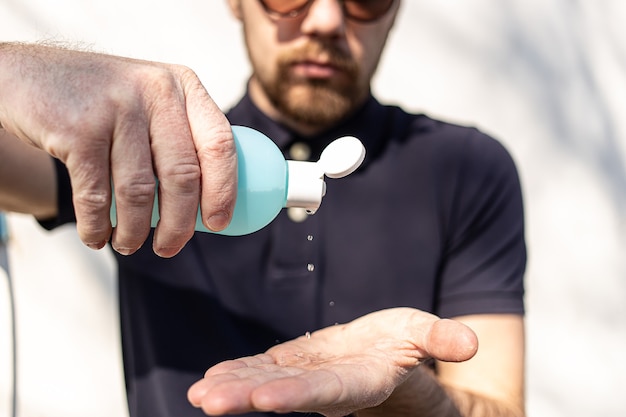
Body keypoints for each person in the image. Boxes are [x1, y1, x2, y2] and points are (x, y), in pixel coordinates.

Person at [0, 0, 526, 416]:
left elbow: (499, 407)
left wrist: (405, 393)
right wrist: (14, 75)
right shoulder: (148, 158)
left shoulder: (465, 168)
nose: (325, 19)